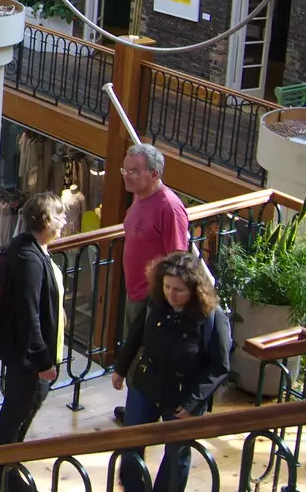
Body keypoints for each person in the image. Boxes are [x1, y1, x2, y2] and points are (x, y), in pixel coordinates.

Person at [111, 252, 231, 492]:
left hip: (182, 397)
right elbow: (136, 335)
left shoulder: (212, 317)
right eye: (166, 286)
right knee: (130, 443)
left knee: (177, 455)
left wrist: (192, 403)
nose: (171, 294)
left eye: (179, 290)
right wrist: (121, 369)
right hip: (146, 386)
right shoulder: (155, 302)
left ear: (195, 291)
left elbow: (220, 367)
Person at [0, 192, 67, 492]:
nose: (64, 221)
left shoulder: (34, 250)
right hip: (27, 356)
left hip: (29, 353)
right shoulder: (29, 259)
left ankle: (9, 465)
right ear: (46, 221)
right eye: (60, 216)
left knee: (24, 407)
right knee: (17, 410)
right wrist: (42, 359)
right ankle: (4, 473)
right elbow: (29, 313)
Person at [116, 144, 191, 424]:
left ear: (154, 174)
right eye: (126, 170)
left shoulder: (169, 208)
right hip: (135, 292)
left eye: (134, 171)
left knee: (144, 359)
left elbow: (178, 258)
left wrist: (164, 299)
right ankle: (134, 409)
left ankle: (140, 415)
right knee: (133, 354)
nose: (127, 176)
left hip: (153, 299)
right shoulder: (138, 197)